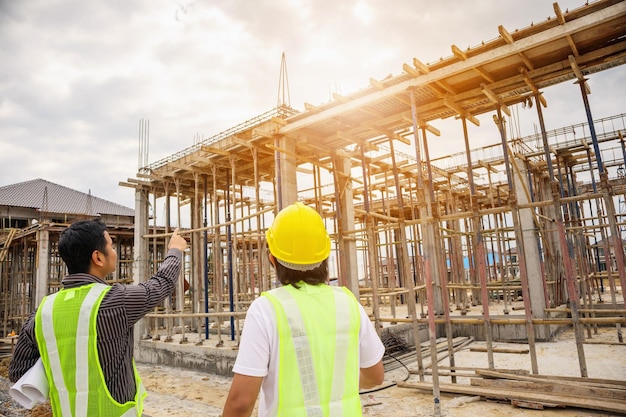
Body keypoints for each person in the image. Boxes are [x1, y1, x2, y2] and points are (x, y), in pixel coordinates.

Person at [9, 219, 188, 416]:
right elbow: (161, 283)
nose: (115, 252)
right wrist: (175, 249)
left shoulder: (43, 312)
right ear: (98, 257)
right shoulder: (116, 301)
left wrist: (60, 357)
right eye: (111, 246)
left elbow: (18, 371)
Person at [222, 202, 385, 417]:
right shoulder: (348, 303)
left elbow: (241, 402)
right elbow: (375, 376)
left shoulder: (266, 309)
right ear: (325, 256)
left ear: (272, 259)